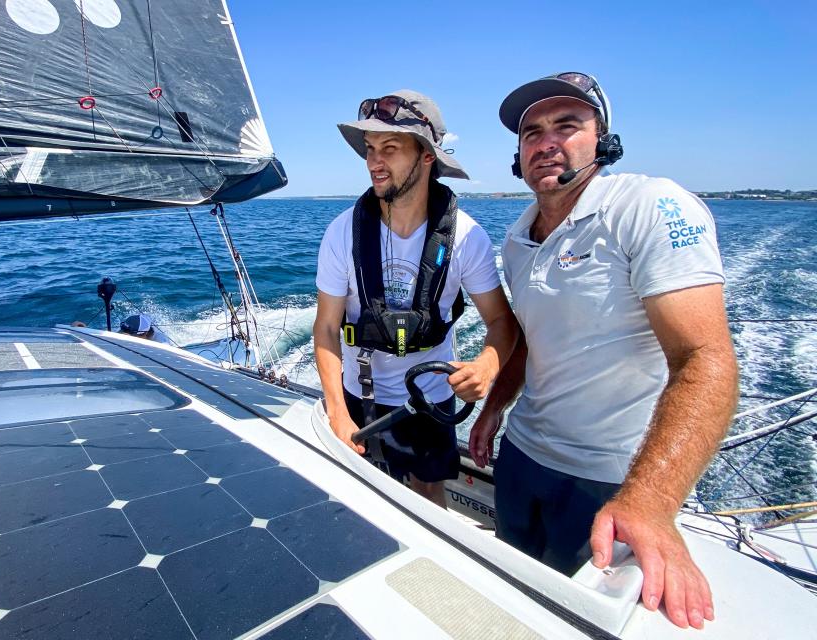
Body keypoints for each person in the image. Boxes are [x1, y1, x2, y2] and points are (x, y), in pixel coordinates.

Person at [468, 72, 738, 629]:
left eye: (567, 125)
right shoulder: (519, 236)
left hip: (609, 479)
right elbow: (527, 338)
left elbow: (704, 360)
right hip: (522, 459)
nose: (546, 142)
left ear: (603, 140)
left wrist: (651, 502)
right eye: (531, 132)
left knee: (576, 621)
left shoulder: (648, 206)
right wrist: (494, 408)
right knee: (512, 602)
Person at [314, 90, 518, 508]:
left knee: (430, 494)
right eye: (370, 149)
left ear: (427, 156)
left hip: (430, 397)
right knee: (361, 499)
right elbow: (326, 327)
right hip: (359, 394)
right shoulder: (340, 233)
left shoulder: (466, 237)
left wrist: (486, 365)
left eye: (389, 148)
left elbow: (502, 322)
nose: (374, 162)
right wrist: (336, 409)